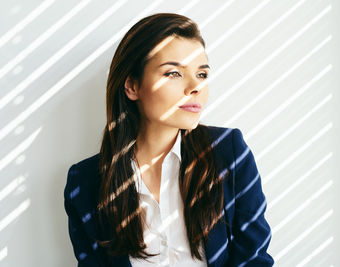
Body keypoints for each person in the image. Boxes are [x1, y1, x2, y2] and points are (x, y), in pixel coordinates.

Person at [63, 12, 274, 267]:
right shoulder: (85, 183)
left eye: (202, 74)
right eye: (174, 73)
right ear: (132, 86)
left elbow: (254, 260)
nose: (195, 87)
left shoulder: (228, 152)